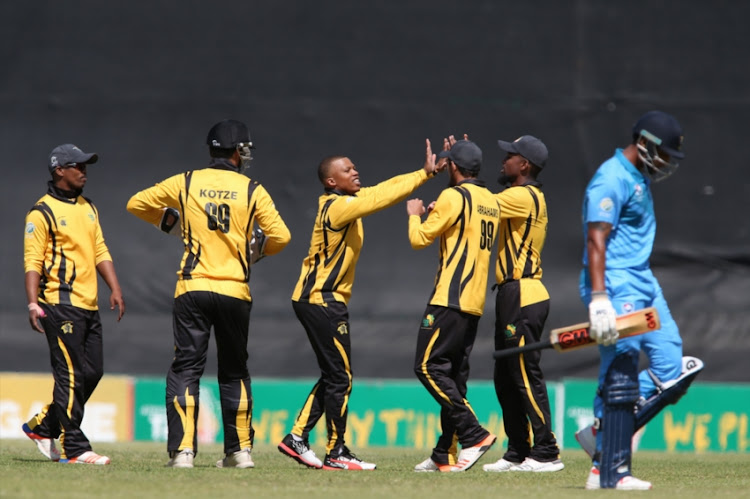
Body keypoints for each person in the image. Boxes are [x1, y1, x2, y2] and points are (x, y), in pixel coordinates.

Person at [126, 119, 291, 469]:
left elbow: (137, 204)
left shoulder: (185, 182)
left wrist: (173, 224)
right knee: (234, 371)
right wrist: (255, 250)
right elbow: (282, 236)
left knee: (186, 369)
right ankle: (239, 452)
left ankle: (183, 453)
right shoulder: (252, 189)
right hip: (234, 289)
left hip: (193, 286)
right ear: (237, 151)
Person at [277, 139, 446, 471]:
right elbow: (383, 197)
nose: (356, 172)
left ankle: (297, 438)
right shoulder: (338, 207)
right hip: (322, 299)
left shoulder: (347, 200)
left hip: (319, 299)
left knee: (334, 374)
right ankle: (336, 451)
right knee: (341, 376)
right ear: (331, 182)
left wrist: (424, 174)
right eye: (347, 169)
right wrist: (422, 177)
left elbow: (381, 188)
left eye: (354, 167)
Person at [577, 111, 703, 490]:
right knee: (621, 372)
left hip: (644, 281)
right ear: (644, 143)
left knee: (674, 367)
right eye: (663, 154)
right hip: (615, 286)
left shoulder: (639, 177)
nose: (665, 163)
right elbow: (596, 239)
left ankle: (602, 435)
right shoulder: (610, 178)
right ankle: (609, 470)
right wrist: (599, 299)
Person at [23, 143, 125, 465]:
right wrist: (31, 304)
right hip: (58, 303)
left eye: (86, 166)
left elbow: (100, 249)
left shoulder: (88, 207)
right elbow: (32, 261)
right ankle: (74, 448)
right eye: (77, 166)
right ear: (59, 171)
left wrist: (115, 287)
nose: (83, 172)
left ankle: (44, 425)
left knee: (93, 372)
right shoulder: (42, 212)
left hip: (89, 305)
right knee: (70, 375)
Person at [408, 139, 499, 473]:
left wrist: (415, 216)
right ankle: (444, 452)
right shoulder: (490, 200)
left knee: (428, 367)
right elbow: (464, 229)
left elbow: (419, 240)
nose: (446, 168)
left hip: (449, 298)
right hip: (474, 302)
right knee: (454, 379)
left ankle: (474, 434)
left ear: (457, 168)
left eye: (449, 164)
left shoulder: (453, 196)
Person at [481, 135, 564, 473]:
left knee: (524, 374)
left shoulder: (522, 196)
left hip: (524, 294)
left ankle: (546, 452)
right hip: (510, 294)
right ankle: (518, 450)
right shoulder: (523, 195)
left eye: (510, 156)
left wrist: (462, 169)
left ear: (524, 165)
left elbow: (478, 206)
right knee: (506, 376)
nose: (504, 161)